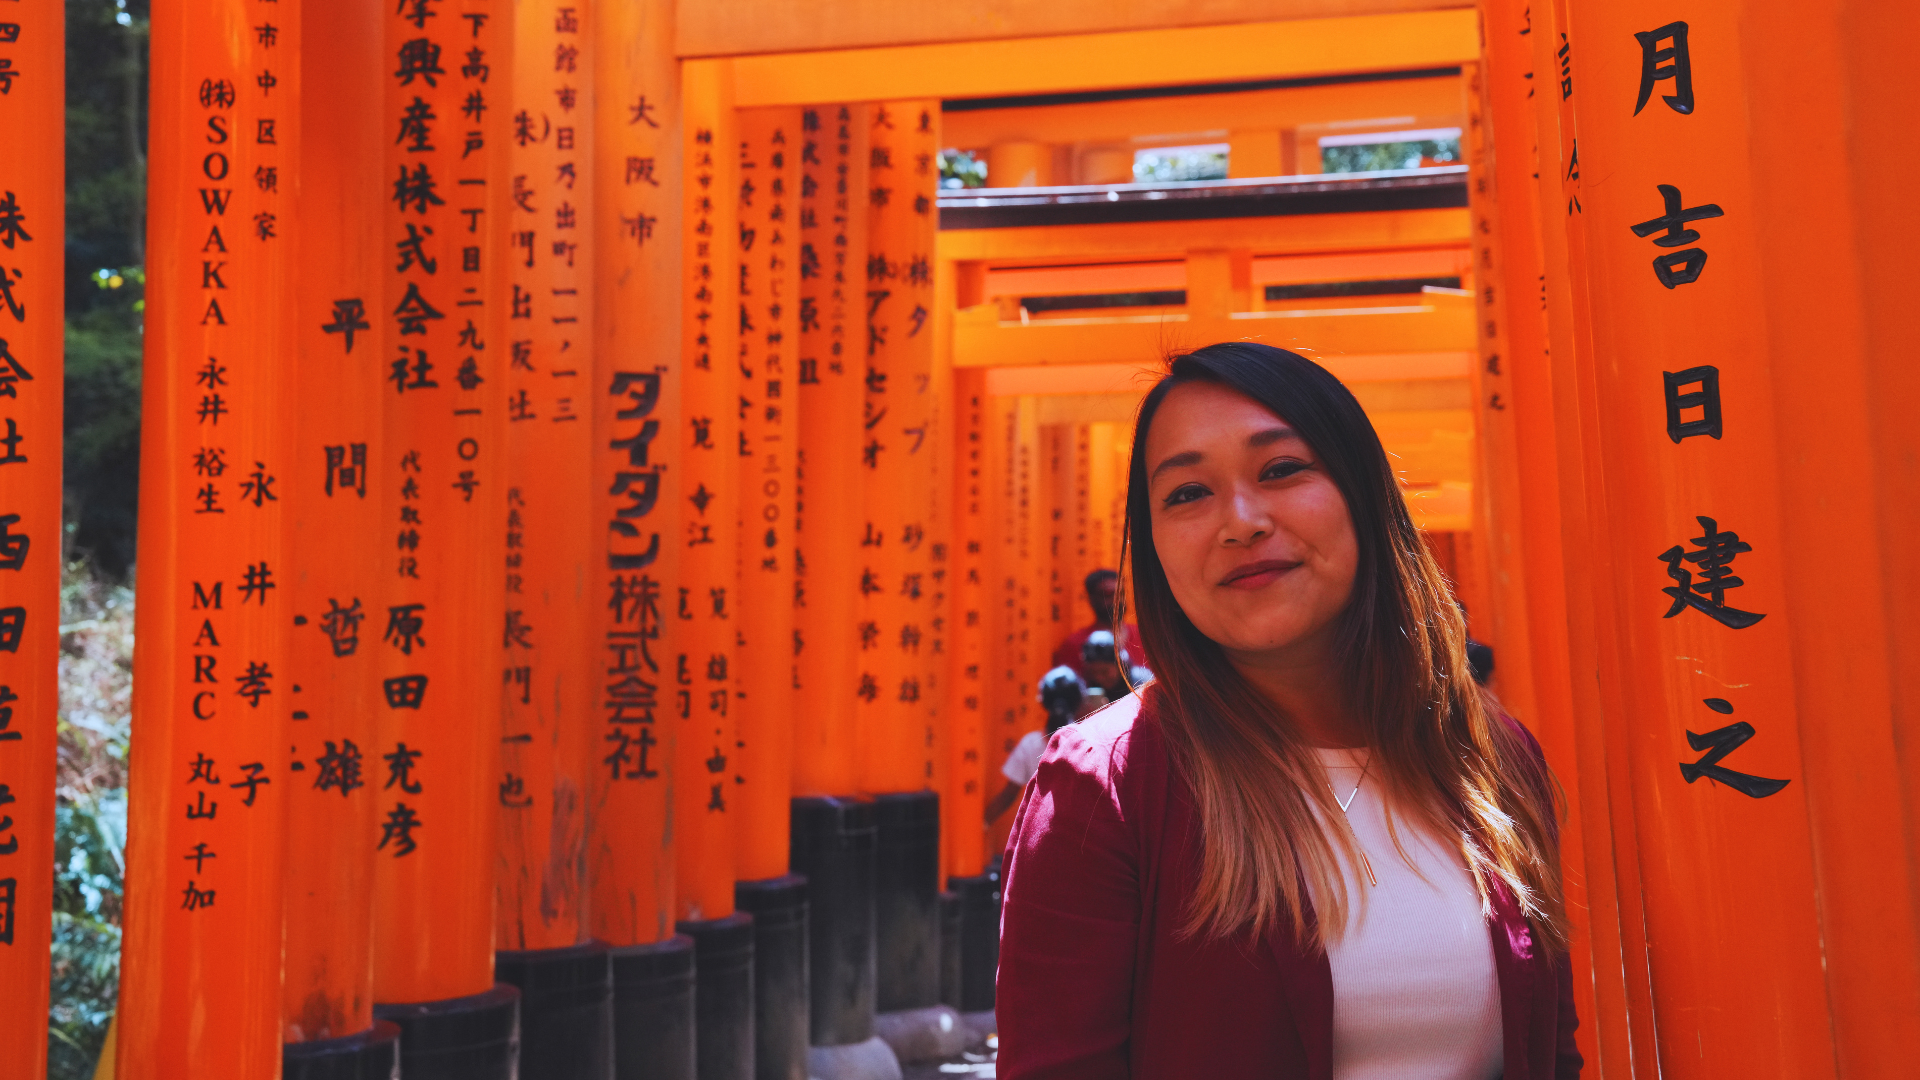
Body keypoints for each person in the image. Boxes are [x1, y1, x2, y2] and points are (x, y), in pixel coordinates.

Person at [997, 343, 1579, 1080]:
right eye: (1186, 494)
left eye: (1281, 470)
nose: (1239, 521)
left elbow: (1552, 1056)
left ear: (1364, 494)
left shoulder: (1491, 759)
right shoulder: (1106, 787)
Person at [984, 666, 1085, 824]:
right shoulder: (1088, 741)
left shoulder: (1030, 744)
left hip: (1041, 831)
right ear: (1080, 700)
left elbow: (1008, 795)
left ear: (1043, 700)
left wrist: (982, 824)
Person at [1053, 569, 1146, 682]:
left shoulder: (1145, 637)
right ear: (1091, 599)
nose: (1117, 600)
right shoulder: (1074, 645)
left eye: (1121, 593)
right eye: (1108, 594)